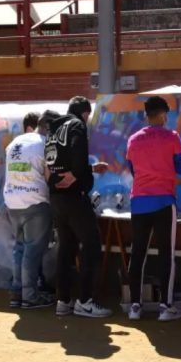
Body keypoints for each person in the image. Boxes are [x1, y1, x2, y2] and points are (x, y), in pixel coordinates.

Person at [125, 96, 181, 322]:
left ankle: (135, 306)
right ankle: (165, 306)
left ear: (146, 115)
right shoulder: (172, 137)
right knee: (166, 254)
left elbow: (133, 169)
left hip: (139, 202)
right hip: (164, 201)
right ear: (163, 114)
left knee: (138, 253)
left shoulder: (133, 140)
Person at [46, 96, 111, 319]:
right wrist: (76, 173)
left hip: (56, 196)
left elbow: (55, 161)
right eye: (88, 115)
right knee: (92, 245)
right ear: (84, 112)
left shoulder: (54, 129)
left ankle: (63, 301)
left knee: (66, 248)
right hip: (74, 196)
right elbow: (76, 150)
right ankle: (85, 301)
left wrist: (87, 169)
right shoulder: (77, 125)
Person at [3, 110, 59, 310]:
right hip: (35, 201)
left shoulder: (15, 143)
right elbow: (48, 176)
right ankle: (30, 296)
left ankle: (17, 292)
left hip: (12, 201)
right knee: (33, 250)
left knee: (19, 248)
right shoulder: (45, 144)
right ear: (50, 128)